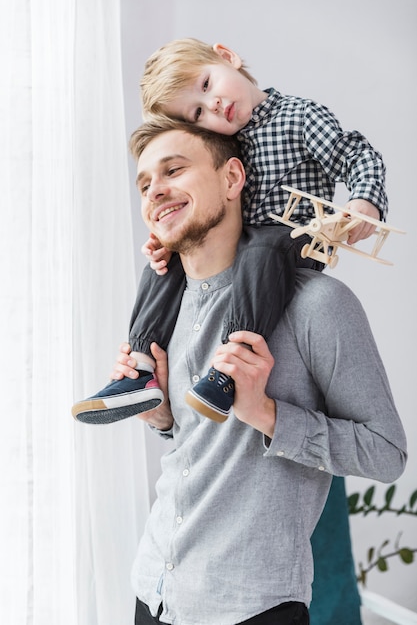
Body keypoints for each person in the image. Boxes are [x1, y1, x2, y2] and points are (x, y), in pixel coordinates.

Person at [113, 119, 406, 625]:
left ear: (232, 179)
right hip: (154, 589)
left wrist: (267, 414)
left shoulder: (318, 306)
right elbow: (201, 446)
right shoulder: (167, 305)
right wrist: (164, 417)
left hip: (249, 607)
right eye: (144, 184)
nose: (155, 189)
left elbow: (387, 453)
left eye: (174, 169)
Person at [71, 38, 387, 425]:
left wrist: (364, 201)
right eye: (198, 113)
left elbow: (355, 153)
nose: (214, 107)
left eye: (206, 86)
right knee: (163, 266)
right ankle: (140, 368)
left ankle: (231, 365)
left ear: (226, 57)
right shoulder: (227, 135)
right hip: (247, 249)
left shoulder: (299, 117)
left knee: (262, 248)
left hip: (292, 237)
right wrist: (167, 239)